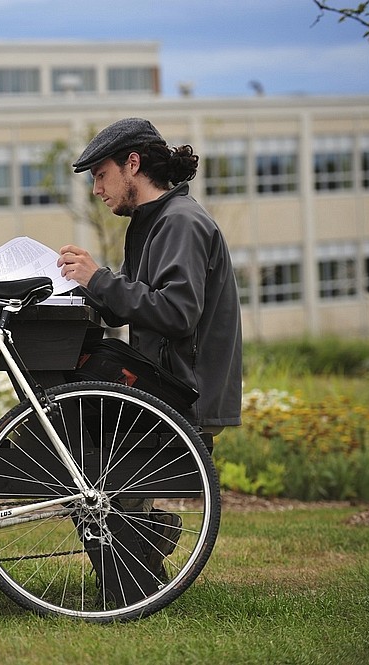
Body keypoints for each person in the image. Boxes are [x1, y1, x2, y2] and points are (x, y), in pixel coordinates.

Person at [56, 118, 243, 583]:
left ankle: (137, 565)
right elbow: (130, 304)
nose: (97, 190)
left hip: (185, 393)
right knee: (63, 427)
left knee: (64, 438)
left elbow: (177, 313)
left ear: (133, 164)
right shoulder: (154, 221)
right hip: (166, 385)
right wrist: (76, 286)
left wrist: (99, 279)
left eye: (101, 175)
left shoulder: (180, 222)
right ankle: (144, 552)